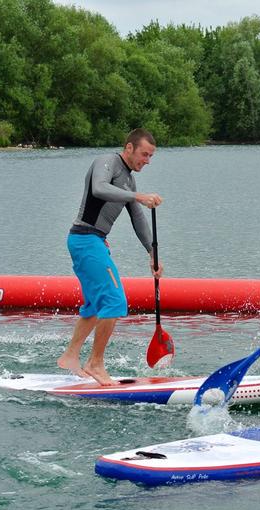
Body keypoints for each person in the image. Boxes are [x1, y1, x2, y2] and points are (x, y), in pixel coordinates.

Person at [57, 128, 163, 385]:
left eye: (150, 157)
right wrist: (138, 196)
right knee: (115, 302)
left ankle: (70, 356)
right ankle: (95, 363)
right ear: (129, 148)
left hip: (94, 243)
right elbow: (100, 188)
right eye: (144, 154)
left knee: (95, 306)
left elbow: (138, 217)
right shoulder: (106, 162)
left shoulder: (129, 179)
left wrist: (152, 252)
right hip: (85, 239)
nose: (147, 161)